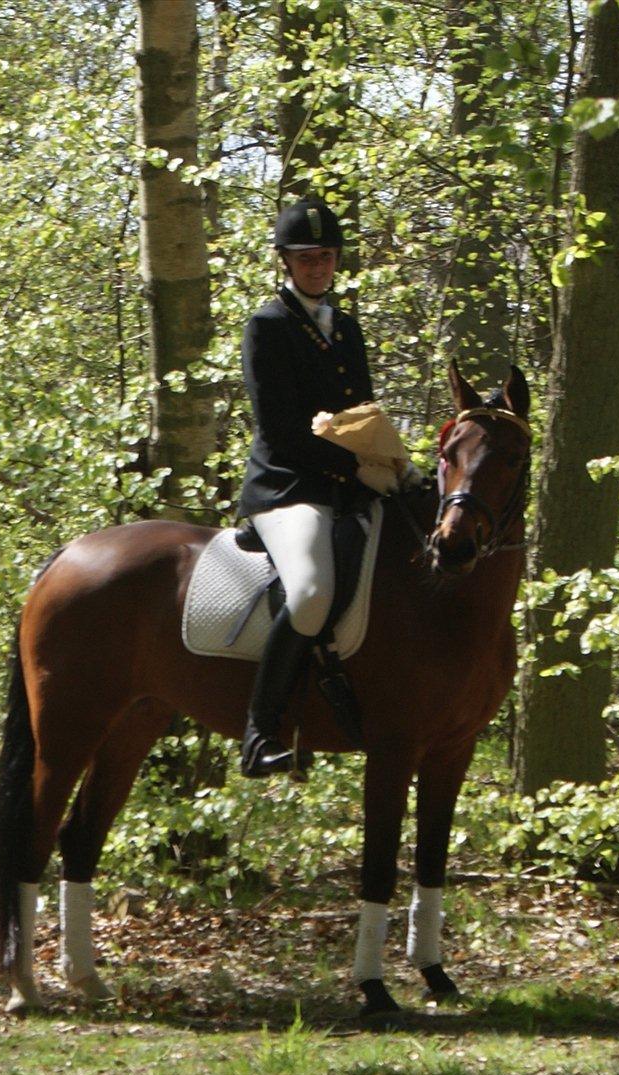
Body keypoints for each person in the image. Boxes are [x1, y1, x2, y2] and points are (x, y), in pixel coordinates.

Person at [237, 198, 398, 779]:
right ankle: (259, 732)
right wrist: (352, 468)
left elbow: (358, 416)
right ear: (286, 261)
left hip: (347, 486)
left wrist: (390, 463)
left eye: (326, 256)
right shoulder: (268, 325)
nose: (318, 267)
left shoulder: (346, 328)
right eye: (306, 258)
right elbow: (279, 429)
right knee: (309, 592)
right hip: (286, 487)